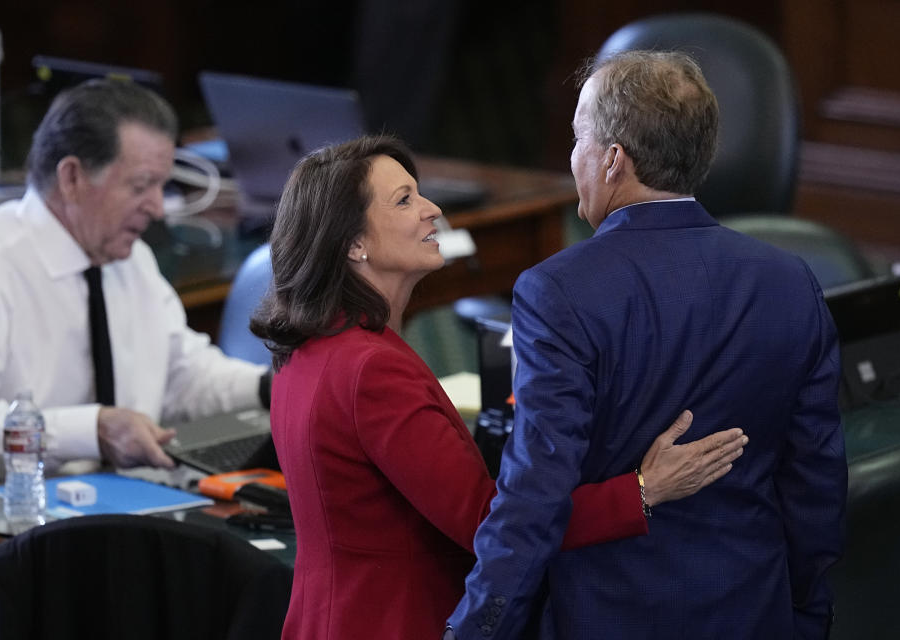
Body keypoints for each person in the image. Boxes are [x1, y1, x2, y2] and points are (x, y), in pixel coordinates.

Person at [248, 134, 747, 639]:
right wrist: (643, 490)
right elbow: (490, 526)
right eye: (404, 200)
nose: (432, 209)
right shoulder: (371, 370)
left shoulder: (309, 347)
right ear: (352, 243)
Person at [447, 51, 847, 639]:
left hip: (608, 617)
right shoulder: (792, 281)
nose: (571, 157)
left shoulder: (557, 292)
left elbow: (535, 493)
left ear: (613, 161)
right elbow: (815, 483)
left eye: (578, 138)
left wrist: (477, 629)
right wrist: (806, 615)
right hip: (753, 610)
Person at [0, 79, 269, 480]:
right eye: (141, 186)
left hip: (129, 506)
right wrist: (92, 431)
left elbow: (184, 375)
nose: (158, 208)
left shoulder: (132, 259)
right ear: (72, 177)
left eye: (163, 186)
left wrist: (270, 388)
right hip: (10, 521)